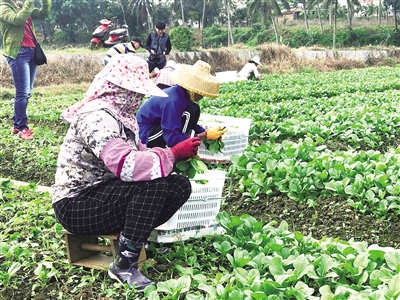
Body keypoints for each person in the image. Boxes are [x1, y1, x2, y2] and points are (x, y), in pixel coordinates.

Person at [51, 54, 201, 290]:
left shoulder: (122, 118)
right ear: (118, 89)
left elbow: (141, 154)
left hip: (104, 193)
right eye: (135, 92)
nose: (139, 98)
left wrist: (168, 155)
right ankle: (125, 263)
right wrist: (172, 154)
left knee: (178, 184)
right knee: (155, 185)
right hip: (75, 204)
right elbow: (127, 166)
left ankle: (131, 238)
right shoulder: (97, 117)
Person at [136, 60, 228, 149]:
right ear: (192, 89)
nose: (201, 96)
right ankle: (172, 149)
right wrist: (203, 136)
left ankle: (182, 144)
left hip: (158, 127)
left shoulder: (183, 96)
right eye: (200, 93)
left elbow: (191, 125)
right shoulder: (174, 101)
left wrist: (207, 132)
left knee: (194, 109)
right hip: (145, 135)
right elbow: (171, 139)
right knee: (188, 113)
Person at [0, 0, 52, 140]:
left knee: (27, 91)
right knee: (22, 92)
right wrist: (29, 2)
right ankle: (22, 128)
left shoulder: (22, 5)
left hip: (32, 52)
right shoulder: (3, 7)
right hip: (18, 53)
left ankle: (17, 125)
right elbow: (17, 19)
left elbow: (43, 14)